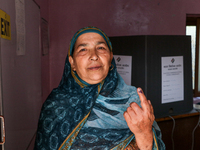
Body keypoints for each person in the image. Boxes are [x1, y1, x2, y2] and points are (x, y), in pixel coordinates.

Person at [34, 26, 165, 150]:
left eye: (101, 48)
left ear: (111, 57)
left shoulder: (133, 101)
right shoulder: (56, 106)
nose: (94, 56)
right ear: (72, 62)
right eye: (83, 50)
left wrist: (144, 134)